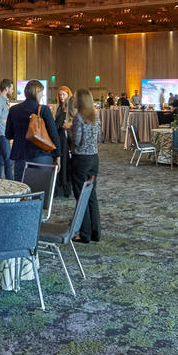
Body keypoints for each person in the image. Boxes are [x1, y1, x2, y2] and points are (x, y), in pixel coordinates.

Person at [5, 79, 62, 171]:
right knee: (41, 185)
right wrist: (58, 155)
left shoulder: (13, 110)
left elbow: (8, 134)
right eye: (42, 92)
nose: (42, 95)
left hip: (20, 156)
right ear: (38, 93)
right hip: (41, 155)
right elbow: (54, 134)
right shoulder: (44, 110)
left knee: (21, 185)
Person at [70, 89, 101, 243]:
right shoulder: (96, 117)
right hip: (94, 159)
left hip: (80, 159)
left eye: (74, 98)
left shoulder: (78, 118)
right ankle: (96, 232)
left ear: (80, 101)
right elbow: (99, 137)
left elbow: (76, 140)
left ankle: (84, 233)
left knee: (81, 196)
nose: (72, 99)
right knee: (91, 195)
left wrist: (69, 131)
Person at [0, 80, 15, 179]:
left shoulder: (2, 100)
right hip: (0, 133)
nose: (12, 91)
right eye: (12, 88)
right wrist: (6, 120)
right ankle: (11, 183)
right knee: (8, 160)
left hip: (3, 133)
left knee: (0, 160)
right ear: (6, 88)